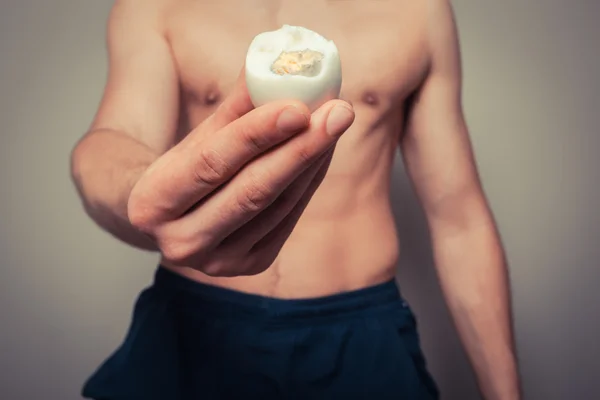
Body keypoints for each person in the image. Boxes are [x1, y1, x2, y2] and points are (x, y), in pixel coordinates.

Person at [70, 0, 521, 398]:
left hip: (359, 331)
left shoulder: (416, 11)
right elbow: (114, 139)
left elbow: (460, 221)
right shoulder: (159, 5)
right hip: (193, 323)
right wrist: (142, 192)